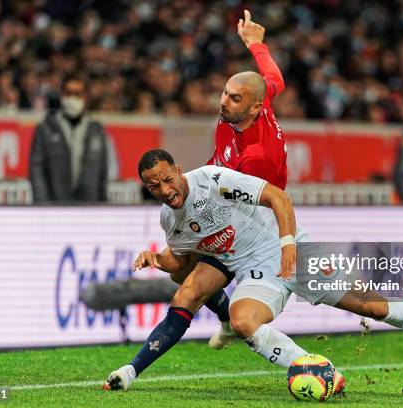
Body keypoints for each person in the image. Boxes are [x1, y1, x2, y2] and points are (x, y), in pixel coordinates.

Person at [104, 149, 403, 391]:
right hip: (256, 271)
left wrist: (289, 244)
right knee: (242, 322)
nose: (164, 188)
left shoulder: (214, 181)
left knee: (370, 307)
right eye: (153, 185)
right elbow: (182, 264)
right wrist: (157, 258)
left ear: (179, 169)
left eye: (167, 178)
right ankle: (311, 367)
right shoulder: (169, 219)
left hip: (293, 249)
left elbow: (277, 196)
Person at [136, 10, 290, 350]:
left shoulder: (255, 158)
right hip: (220, 192)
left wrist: (191, 203)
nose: (223, 101)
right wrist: (256, 45)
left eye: (234, 98)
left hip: (246, 219)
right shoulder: (250, 107)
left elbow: (238, 201)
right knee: (179, 270)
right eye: (225, 93)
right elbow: (272, 79)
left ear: (252, 107)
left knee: (183, 272)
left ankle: (232, 317)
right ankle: (224, 317)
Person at [29, 74, 118, 202]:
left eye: (78, 94)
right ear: (61, 95)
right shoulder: (46, 128)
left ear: (86, 97)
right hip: (54, 205)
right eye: (68, 93)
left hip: (89, 206)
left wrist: (102, 204)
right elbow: (36, 169)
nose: (72, 98)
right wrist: (41, 202)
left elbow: (103, 173)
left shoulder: (96, 130)